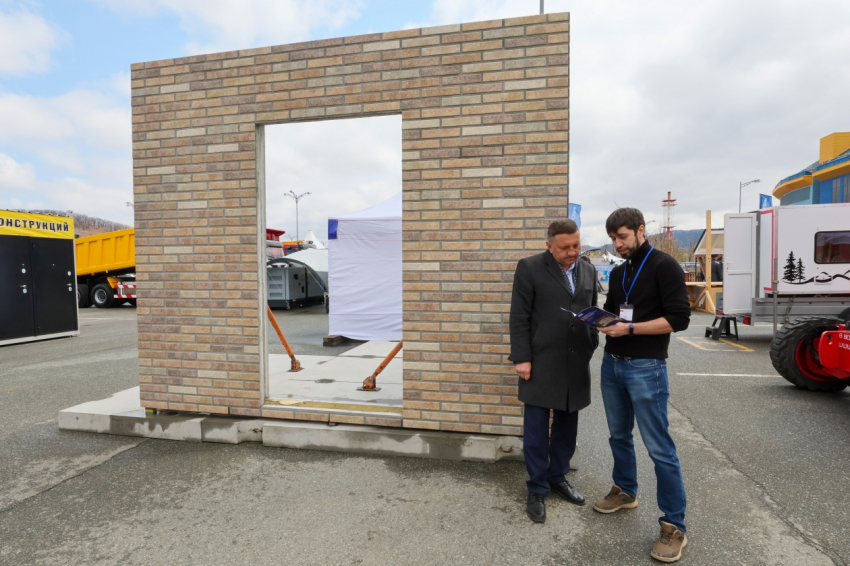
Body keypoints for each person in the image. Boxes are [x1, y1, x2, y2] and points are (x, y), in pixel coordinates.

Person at [595, 208, 691, 563]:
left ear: (640, 230)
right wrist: (600, 321)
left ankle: (674, 526)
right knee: (618, 436)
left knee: (659, 448)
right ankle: (625, 491)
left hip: (647, 367)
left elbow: (679, 318)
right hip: (613, 364)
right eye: (612, 239)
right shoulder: (621, 272)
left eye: (622, 237)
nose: (617, 244)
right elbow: (612, 310)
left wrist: (631, 328)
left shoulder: (665, 266)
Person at [508, 219, 600, 523]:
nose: (573, 252)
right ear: (549, 246)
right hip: (539, 361)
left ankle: (558, 477)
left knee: (566, 428)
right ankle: (537, 488)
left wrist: (592, 342)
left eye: (576, 245)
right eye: (565, 247)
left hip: (575, 363)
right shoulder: (530, 267)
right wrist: (522, 357)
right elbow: (519, 316)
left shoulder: (588, 271)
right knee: (536, 431)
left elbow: (592, 311)